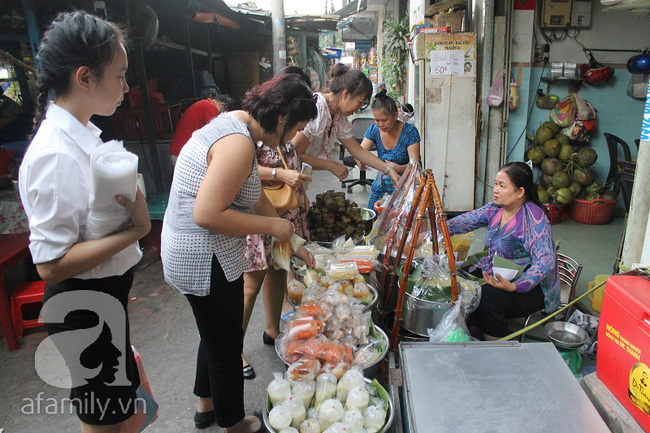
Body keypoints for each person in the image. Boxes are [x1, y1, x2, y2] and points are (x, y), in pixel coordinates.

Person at [161, 73, 317, 431]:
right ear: (281, 118)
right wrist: (272, 227)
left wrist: (293, 241)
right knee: (227, 340)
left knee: (214, 332)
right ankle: (234, 422)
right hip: (202, 258)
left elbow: (254, 194)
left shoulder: (236, 125)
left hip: (193, 252)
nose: (293, 138)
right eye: (295, 128)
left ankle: (206, 406)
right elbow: (208, 214)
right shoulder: (237, 143)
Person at [18, 12, 151, 433]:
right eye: (120, 74)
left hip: (101, 299)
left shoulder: (82, 134)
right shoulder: (55, 154)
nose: (127, 87)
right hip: (84, 306)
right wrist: (136, 229)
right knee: (105, 420)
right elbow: (50, 265)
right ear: (85, 77)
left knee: (115, 416)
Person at [240, 66, 314, 380]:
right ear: (284, 113)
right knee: (250, 286)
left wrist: (299, 191)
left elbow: (294, 159)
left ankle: (272, 330)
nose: (300, 129)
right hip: (261, 216)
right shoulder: (251, 133)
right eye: (298, 122)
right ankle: (233, 348)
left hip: (287, 213)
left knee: (279, 271)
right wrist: (279, 174)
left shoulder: (282, 134)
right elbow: (244, 174)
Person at [446, 162, 560, 340]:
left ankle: (495, 341)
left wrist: (515, 286)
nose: (495, 190)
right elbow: (465, 221)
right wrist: (436, 228)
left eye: (502, 185)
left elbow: (545, 262)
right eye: (495, 184)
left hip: (531, 287)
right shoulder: (495, 209)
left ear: (520, 192)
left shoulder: (534, 219)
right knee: (460, 280)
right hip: (500, 272)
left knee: (485, 297)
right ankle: (474, 328)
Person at [291, 64, 400, 186]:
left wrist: (388, 170)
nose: (358, 109)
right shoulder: (317, 110)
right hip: (285, 176)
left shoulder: (338, 116)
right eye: (359, 102)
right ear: (346, 93)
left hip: (297, 178)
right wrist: (331, 165)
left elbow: (357, 150)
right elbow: (294, 154)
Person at [357, 89, 421, 208]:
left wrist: (399, 168)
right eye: (377, 120)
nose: (380, 124)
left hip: (406, 186)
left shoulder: (410, 132)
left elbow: (415, 165)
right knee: (374, 214)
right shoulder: (374, 130)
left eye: (384, 120)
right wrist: (360, 160)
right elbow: (360, 152)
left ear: (395, 115)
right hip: (383, 182)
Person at [168, 89, 241, 166]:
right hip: (184, 155)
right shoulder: (210, 109)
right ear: (222, 105)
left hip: (179, 151)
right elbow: (220, 133)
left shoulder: (204, 104)